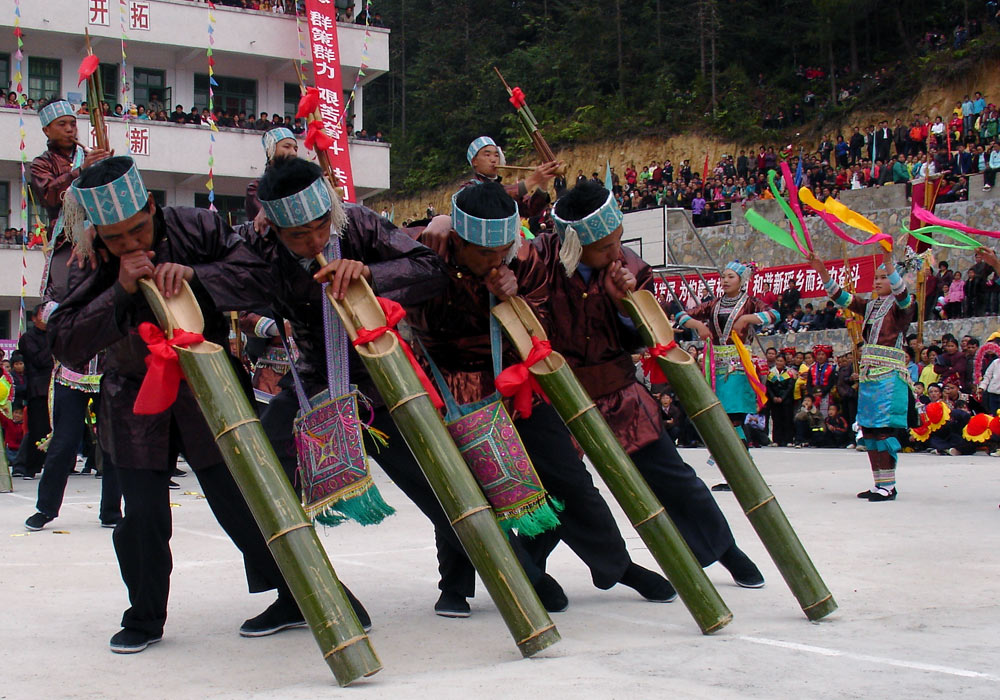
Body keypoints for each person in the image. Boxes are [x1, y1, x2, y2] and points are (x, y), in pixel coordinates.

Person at [243, 158, 572, 617]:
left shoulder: (356, 223)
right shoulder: (256, 243)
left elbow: (428, 267)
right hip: (314, 379)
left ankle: (520, 574)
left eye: (320, 228)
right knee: (253, 474)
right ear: (273, 225)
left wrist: (370, 276)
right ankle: (299, 594)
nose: (313, 241)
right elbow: (213, 266)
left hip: (387, 377)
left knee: (444, 490)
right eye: (297, 236)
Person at [47, 156, 338, 653]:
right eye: (115, 237)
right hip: (134, 395)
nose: (130, 244)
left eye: (138, 229)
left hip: (210, 386)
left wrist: (199, 276)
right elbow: (66, 340)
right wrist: (118, 288)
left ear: (152, 207)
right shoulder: (86, 256)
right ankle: (143, 615)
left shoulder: (198, 226)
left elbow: (258, 280)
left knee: (249, 499)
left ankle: (309, 594)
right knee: (141, 515)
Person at [409, 181, 675, 614]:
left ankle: (615, 564)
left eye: (503, 252)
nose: (496, 261)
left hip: (519, 385)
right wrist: (434, 223)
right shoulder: (426, 251)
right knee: (462, 487)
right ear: (458, 239)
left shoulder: (523, 259)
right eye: (484, 254)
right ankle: (457, 585)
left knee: (568, 477)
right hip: (452, 388)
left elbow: (545, 309)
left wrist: (516, 296)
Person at [536, 181, 765, 588]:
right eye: (605, 248)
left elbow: (641, 338)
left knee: (672, 476)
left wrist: (626, 305)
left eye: (618, 242)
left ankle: (723, 550)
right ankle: (535, 569)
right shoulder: (539, 262)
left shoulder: (633, 269)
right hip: (560, 398)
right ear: (575, 245)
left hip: (620, 390)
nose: (616, 254)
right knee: (561, 490)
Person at [808, 242, 915, 502]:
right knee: (868, 430)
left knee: (883, 430)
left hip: (889, 376)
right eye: (876, 277)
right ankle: (880, 483)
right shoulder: (870, 307)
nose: (877, 282)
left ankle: (888, 485)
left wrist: (889, 262)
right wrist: (821, 270)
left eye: (884, 277)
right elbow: (840, 296)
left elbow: (902, 292)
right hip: (869, 376)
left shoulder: (903, 306)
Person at [675, 262, 781, 443]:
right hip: (715, 364)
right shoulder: (713, 304)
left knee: (735, 413)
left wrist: (747, 318)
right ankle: (731, 452)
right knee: (720, 412)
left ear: (742, 280)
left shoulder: (750, 303)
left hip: (738, 365)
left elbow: (774, 315)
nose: (725, 280)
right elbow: (682, 316)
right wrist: (698, 325)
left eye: (730, 277)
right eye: (723, 277)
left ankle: (740, 450)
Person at [465, 136, 559, 218]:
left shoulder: (502, 187)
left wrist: (543, 182)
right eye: (487, 155)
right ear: (474, 162)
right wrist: (534, 179)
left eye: (496, 155)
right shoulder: (468, 189)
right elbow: (495, 197)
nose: (493, 160)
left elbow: (530, 209)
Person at [13, 307, 53, 479]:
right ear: (35, 318)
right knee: (38, 429)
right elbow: (40, 360)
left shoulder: (54, 335)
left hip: (56, 386)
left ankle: (51, 464)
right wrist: (54, 342)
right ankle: (28, 466)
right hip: (38, 390)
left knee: (56, 428)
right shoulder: (28, 338)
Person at [245, 127, 299, 222]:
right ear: (271, 150)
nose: (293, 153)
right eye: (287, 147)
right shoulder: (256, 188)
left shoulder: (300, 184)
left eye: (295, 149)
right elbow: (275, 221)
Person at [766, 355, 796, 446]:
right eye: (778, 360)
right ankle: (776, 440)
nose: (779, 362)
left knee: (787, 420)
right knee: (776, 420)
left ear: (785, 362)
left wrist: (782, 398)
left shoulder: (790, 373)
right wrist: (773, 397)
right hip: (774, 400)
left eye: (781, 361)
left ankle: (788, 440)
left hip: (786, 400)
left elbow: (790, 387)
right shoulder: (771, 373)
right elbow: (769, 387)